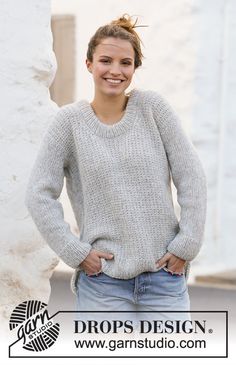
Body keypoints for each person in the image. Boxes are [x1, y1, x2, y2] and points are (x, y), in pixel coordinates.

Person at [25, 14, 207, 329]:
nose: (115, 71)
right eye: (105, 60)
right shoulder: (68, 123)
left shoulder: (153, 110)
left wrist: (187, 244)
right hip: (103, 284)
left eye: (125, 63)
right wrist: (76, 252)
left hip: (164, 279)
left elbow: (191, 176)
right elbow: (38, 194)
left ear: (135, 68)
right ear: (89, 64)